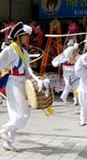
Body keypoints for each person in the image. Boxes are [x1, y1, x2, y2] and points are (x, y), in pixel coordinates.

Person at [0, 22, 43, 152]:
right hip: (12, 83)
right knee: (23, 114)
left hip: (22, 82)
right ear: (18, 36)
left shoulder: (24, 51)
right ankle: (4, 130)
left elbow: (28, 70)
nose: (27, 38)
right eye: (25, 36)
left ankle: (8, 142)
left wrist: (37, 79)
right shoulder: (9, 50)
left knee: (17, 114)